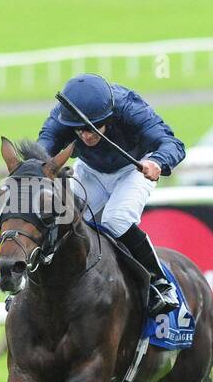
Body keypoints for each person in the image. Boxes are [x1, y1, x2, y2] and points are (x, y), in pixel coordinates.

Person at [37, 73, 185, 316]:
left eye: (93, 128)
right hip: (90, 170)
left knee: (116, 220)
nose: (86, 135)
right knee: (65, 219)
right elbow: (43, 149)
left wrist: (158, 161)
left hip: (134, 169)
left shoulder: (129, 107)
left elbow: (172, 144)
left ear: (109, 117)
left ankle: (159, 283)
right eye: (79, 130)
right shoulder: (62, 115)